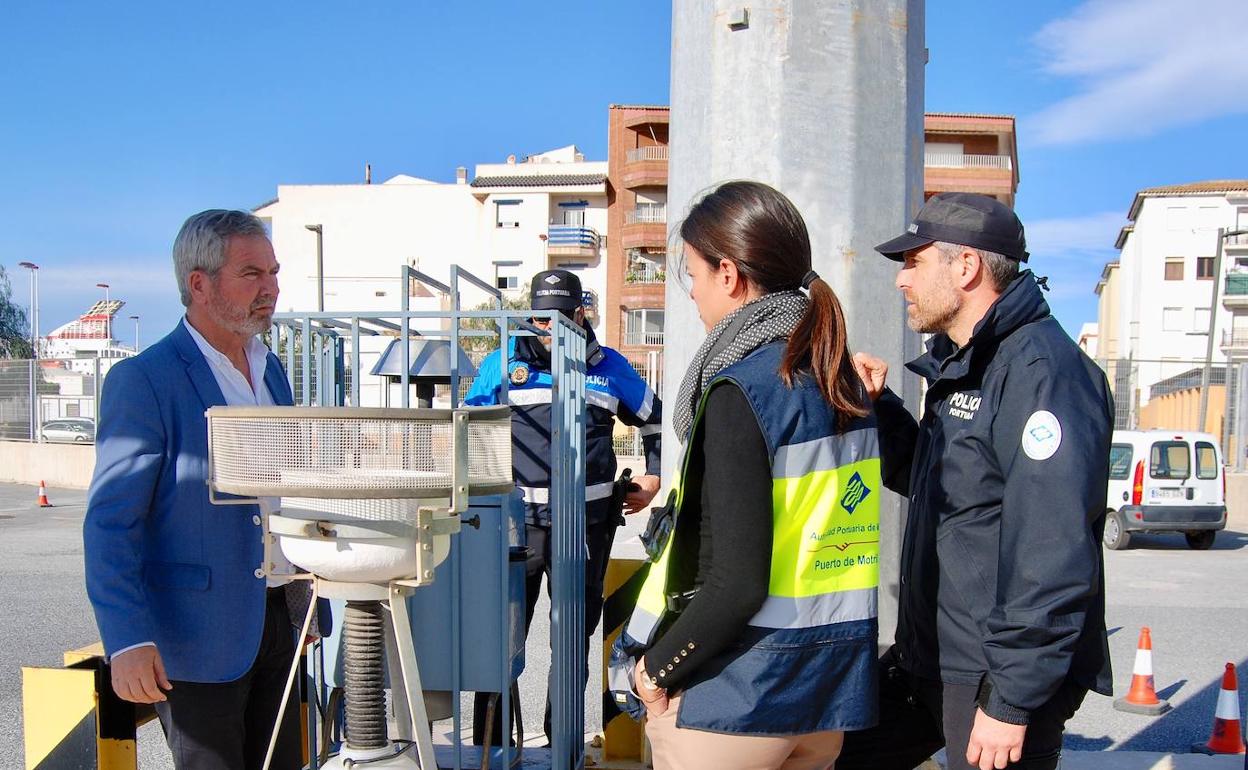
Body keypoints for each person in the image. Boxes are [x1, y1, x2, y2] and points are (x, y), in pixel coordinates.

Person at [610, 181, 881, 770]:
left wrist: (654, 673)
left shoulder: (744, 390)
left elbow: (735, 582)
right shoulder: (839, 382)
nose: (692, 296)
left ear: (728, 274)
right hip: (825, 697)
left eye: (692, 275)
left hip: (737, 699)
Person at [837, 193, 1113, 770]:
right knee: (833, 753)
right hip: (932, 659)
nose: (901, 281)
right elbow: (936, 482)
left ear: (965, 267)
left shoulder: (1044, 374)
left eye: (913, 262)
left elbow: (1053, 550)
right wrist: (881, 408)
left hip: (992, 674)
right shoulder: (967, 361)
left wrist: (1011, 701)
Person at [84, 210, 308, 770]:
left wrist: (306, 608)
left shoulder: (270, 369)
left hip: (278, 622)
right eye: (252, 273)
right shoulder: (145, 380)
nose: (271, 288)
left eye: (274, 273)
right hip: (195, 639)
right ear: (199, 283)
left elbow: (282, 490)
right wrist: (127, 640)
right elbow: (111, 523)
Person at [465, 269, 663, 743]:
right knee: (499, 637)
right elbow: (468, 430)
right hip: (515, 528)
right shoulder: (502, 363)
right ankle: (492, 747)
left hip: (587, 527)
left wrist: (653, 478)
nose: (547, 328)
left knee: (572, 642)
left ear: (580, 315)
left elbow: (653, 420)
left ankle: (565, 745)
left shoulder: (609, 365)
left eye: (559, 318)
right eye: (539, 317)